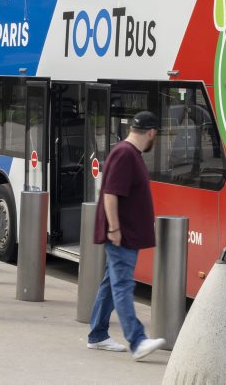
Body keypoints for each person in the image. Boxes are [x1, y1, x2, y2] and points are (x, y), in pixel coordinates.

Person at [87, 111, 166, 361]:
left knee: (110, 284)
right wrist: (114, 229)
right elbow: (110, 193)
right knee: (122, 285)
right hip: (122, 235)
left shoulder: (129, 153)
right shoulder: (125, 154)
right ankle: (137, 340)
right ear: (151, 132)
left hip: (126, 233)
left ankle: (97, 335)